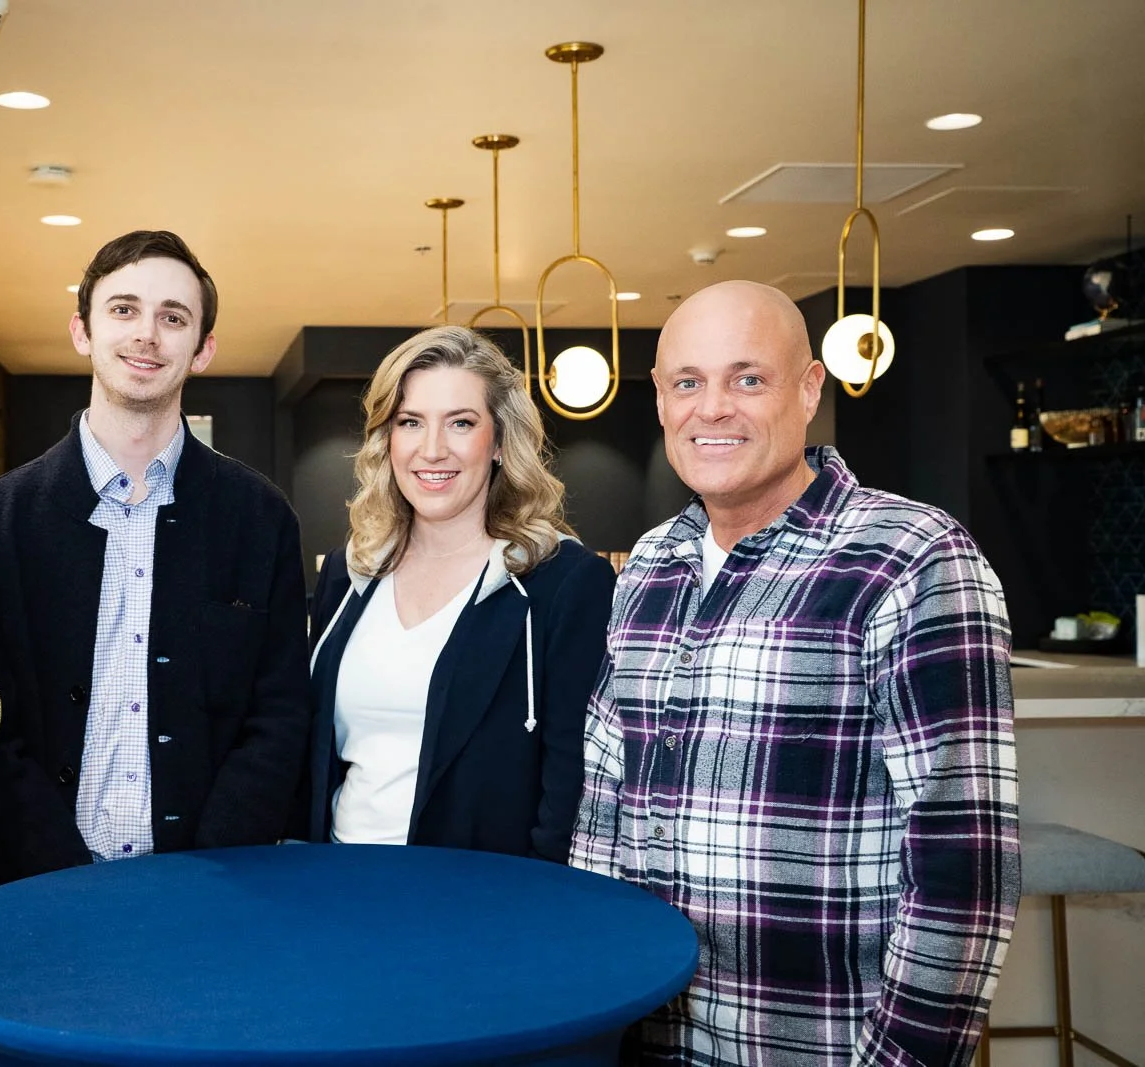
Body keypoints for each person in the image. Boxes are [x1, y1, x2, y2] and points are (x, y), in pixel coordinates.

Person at [571, 280, 1019, 1066]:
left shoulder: (912, 556)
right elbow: (603, 810)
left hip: (808, 1040)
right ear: (662, 402)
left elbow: (963, 864)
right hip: (638, 1031)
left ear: (810, 389)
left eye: (748, 378)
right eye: (688, 382)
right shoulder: (649, 563)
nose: (712, 408)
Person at [0, 229, 309, 895]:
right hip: (29, 897)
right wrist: (61, 879)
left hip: (216, 898)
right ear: (81, 330)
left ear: (203, 349)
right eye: (123, 309)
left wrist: (204, 874)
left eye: (174, 318)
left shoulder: (260, 517)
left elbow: (278, 716)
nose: (147, 334)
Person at [305, 325, 614, 861]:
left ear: (498, 442)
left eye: (461, 423)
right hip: (338, 886)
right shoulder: (351, 571)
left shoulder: (562, 582)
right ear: (387, 439)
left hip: (478, 908)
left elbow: (569, 785)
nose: (432, 449)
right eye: (410, 423)